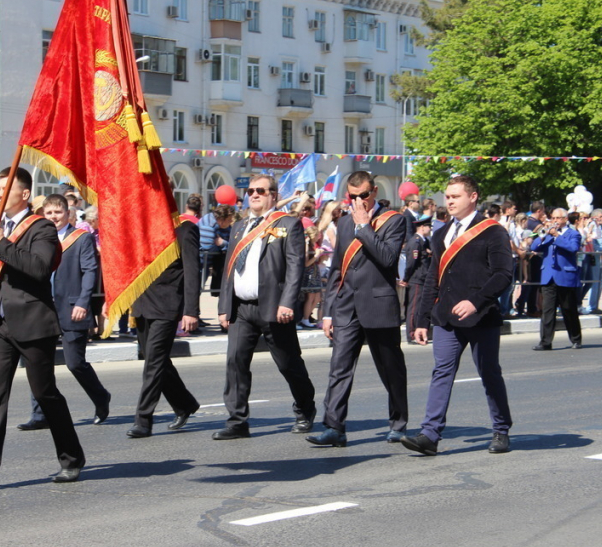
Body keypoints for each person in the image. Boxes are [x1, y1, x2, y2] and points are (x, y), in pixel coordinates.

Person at [0, 168, 85, 491]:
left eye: (3, 188)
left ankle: (71, 457)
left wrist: (2, 244)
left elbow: (38, 269)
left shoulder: (42, 228)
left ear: (23, 194)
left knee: (44, 393)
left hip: (33, 323)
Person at [401, 175, 513, 456]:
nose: (449, 201)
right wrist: (421, 320)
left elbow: (503, 275)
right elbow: (432, 280)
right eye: (447, 197)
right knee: (442, 372)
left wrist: (476, 302)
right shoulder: (440, 234)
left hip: (481, 316)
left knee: (489, 373)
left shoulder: (492, 231)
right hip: (446, 319)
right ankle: (429, 434)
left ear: (472, 197)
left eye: (455, 196)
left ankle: (501, 429)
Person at [306, 171, 409, 448]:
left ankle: (398, 424)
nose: (358, 201)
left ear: (373, 192)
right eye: (353, 197)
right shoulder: (344, 222)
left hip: (379, 304)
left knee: (390, 368)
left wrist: (365, 227)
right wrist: (327, 312)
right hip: (347, 305)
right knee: (339, 367)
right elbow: (338, 270)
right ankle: (334, 427)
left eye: (363, 195)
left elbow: (387, 259)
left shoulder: (394, 220)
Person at [214, 174, 317, 440]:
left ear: (273, 194)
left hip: (273, 307)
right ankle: (237, 421)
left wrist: (287, 302)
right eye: (250, 191)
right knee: (235, 363)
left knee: (288, 363)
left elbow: (295, 267)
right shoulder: (239, 227)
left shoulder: (287, 224)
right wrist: (225, 306)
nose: (254, 195)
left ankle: (305, 409)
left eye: (261, 190)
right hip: (242, 308)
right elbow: (229, 270)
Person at [17, 194, 111, 431]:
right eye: (48, 213)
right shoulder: (38, 238)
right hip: (42, 308)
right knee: (38, 363)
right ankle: (40, 414)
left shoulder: (81, 238)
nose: (53, 217)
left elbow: (90, 271)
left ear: (68, 213)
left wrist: (82, 302)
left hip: (71, 308)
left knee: (75, 363)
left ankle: (101, 397)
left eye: (58, 213)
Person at [125, 207, 202, 438]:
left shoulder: (184, 229)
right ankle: (185, 403)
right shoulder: (141, 228)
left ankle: (143, 419)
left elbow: (192, 271)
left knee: (153, 364)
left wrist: (191, 310)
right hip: (141, 305)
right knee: (155, 360)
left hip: (166, 306)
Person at [530, 208, 583, 350]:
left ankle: (576, 339)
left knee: (568, 310)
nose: (555, 221)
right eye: (553, 218)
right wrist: (542, 236)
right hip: (548, 276)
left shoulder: (573, 234)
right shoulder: (547, 234)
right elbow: (534, 246)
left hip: (565, 276)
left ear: (565, 219)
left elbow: (572, 248)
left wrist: (557, 236)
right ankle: (545, 342)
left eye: (558, 218)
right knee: (547, 311)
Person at [403, 215, 433, 344]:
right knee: (414, 308)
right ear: (421, 227)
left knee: (420, 306)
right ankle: (411, 334)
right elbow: (411, 262)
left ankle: (418, 332)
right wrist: (406, 278)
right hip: (416, 278)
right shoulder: (416, 242)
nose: (430, 229)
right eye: (428, 226)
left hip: (422, 278)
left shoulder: (424, 241)